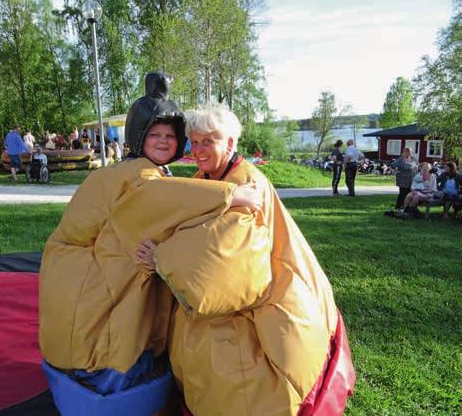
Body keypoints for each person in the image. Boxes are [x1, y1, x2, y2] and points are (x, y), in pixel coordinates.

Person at [38, 73, 261, 416]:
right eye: (154, 134)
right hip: (86, 275)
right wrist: (233, 194)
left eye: (170, 136)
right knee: (121, 320)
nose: (162, 141)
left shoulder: (138, 172)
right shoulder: (136, 175)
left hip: (70, 272)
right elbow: (159, 199)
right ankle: (111, 383)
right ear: (137, 137)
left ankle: (102, 379)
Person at [136, 106, 355, 415]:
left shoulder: (248, 183)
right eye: (194, 142)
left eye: (207, 141)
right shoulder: (208, 176)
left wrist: (161, 257)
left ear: (229, 143)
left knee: (242, 376)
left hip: (259, 295)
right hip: (220, 295)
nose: (198, 150)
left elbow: (222, 258)